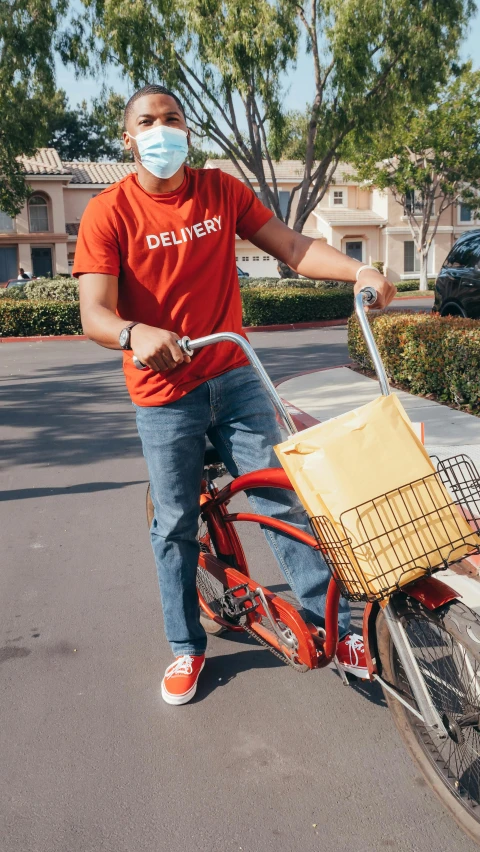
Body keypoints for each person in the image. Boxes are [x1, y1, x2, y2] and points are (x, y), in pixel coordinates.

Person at [74, 84, 396, 706]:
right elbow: (95, 313)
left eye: (171, 118)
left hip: (236, 373)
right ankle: (187, 647)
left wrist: (360, 270)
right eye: (147, 121)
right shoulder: (107, 212)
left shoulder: (220, 190)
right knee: (175, 525)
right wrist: (135, 333)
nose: (160, 129)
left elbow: (295, 247)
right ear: (128, 137)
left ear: (186, 128)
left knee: (283, 499)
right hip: (165, 389)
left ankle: (338, 628)